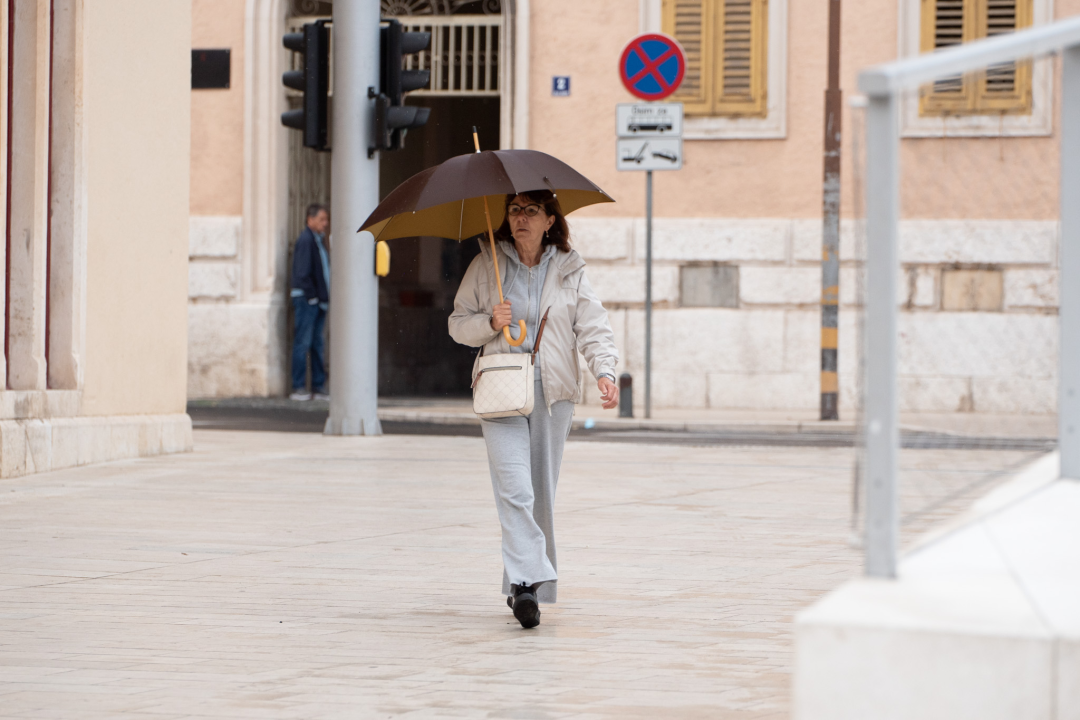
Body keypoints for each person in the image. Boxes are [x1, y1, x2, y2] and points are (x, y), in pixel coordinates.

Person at [449, 190, 620, 629]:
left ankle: (524, 585)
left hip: (552, 390)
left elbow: (592, 324)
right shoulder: (486, 263)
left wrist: (605, 370)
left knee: (540, 491)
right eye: (514, 210)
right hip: (500, 387)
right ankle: (527, 585)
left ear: (549, 220)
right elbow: (456, 324)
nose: (520, 218)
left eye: (531, 211)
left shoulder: (569, 268)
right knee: (514, 488)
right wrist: (490, 322)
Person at [290, 204, 331, 401]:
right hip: (308, 301)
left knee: (316, 343)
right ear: (310, 219)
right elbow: (302, 273)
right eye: (322, 219)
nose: (326, 223)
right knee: (303, 342)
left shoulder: (317, 241)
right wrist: (313, 297)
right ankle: (298, 387)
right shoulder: (306, 240)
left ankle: (317, 385)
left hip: (316, 301)